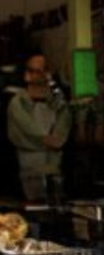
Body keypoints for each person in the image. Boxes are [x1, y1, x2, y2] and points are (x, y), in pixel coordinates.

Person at [6, 52, 72, 202]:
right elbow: (28, 130)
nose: (36, 75)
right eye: (32, 70)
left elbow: (62, 128)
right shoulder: (18, 103)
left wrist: (55, 140)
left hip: (55, 170)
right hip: (29, 170)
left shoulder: (58, 102)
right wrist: (44, 140)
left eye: (41, 71)